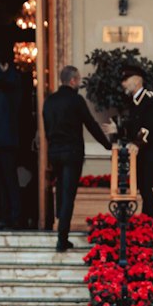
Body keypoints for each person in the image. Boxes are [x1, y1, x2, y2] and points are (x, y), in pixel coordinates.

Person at [42, 65, 111, 252]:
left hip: (55, 152)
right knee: (68, 195)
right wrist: (108, 145)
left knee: (61, 190)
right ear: (73, 80)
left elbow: (47, 129)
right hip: (72, 153)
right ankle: (62, 238)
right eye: (78, 79)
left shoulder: (49, 101)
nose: (79, 82)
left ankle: (60, 230)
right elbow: (91, 124)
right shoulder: (76, 100)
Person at [119, 64, 153, 232]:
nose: (123, 83)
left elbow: (148, 127)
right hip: (139, 156)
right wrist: (117, 130)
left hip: (149, 154)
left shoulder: (150, 100)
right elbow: (130, 128)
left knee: (149, 188)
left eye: (126, 79)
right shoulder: (133, 103)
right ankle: (149, 225)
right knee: (144, 189)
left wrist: (137, 143)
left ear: (138, 80)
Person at [0, 40, 24, 229]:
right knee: (1, 180)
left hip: (8, 140)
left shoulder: (12, 79)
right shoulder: (2, 84)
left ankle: (15, 216)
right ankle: (5, 216)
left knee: (9, 179)